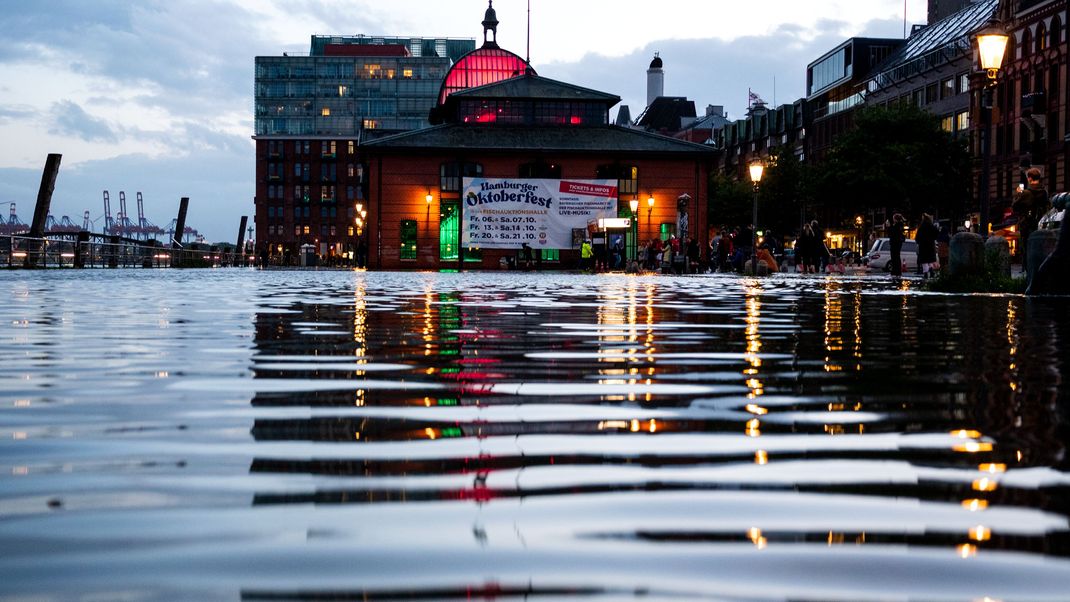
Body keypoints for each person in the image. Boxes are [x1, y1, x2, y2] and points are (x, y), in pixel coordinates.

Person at [1012, 167, 1050, 272]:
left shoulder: (1026, 193)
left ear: (1029, 178)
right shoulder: (1044, 192)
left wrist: (1019, 193)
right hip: (1041, 225)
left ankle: (1029, 272)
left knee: (1027, 248)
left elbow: (1014, 206)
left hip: (1027, 225)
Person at [914, 213, 939, 279]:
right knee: (930, 259)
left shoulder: (921, 227)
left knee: (924, 260)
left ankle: (925, 273)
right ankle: (931, 271)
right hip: (930, 245)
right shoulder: (932, 226)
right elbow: (936, 234)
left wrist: (918, 241)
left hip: (923, 246)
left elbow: (917, 237)